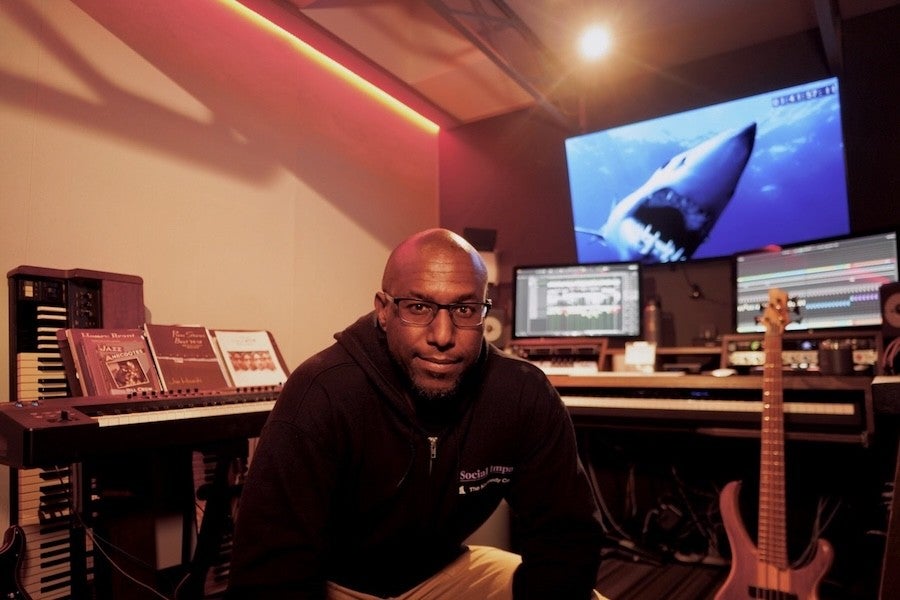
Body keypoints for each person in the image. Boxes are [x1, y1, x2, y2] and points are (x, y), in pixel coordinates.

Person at [227, 228, 608, 599]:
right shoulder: (322, 393)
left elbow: (566, 539)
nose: (442, 335)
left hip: (442, 572)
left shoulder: (521, 393)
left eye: (464, 308)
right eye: (419, 307)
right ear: (383, 310)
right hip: (335, 583)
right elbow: (269, 577)